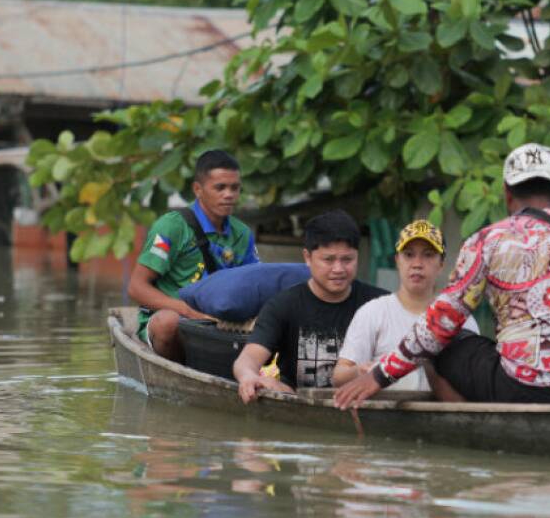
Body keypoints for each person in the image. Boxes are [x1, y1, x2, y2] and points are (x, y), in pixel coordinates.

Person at [335, 142, 550, 410]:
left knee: (440, 344)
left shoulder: (487, 240)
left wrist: (378, 376)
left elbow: (439, 325)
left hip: (522, 390)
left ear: (506, 193)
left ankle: (468, 428)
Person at [233, 210, 386, 403]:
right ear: (307, 257)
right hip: (298, 405)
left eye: (347, 259)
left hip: (366, 406)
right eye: (328, 260)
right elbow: (248, 359)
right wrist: (248, 376)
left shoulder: (381, 304)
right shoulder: (283, 305)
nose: (338, 269)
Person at [127, 150, 259, 362]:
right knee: (167, 323)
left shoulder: (242, 233)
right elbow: (136, 287)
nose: (229, 195)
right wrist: (188, 311)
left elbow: (256, 283)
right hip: (176, 317)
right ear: (198, 189)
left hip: (222, 320)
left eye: (235, 188)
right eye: (220, 187)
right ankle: (181, 368)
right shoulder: (172, 226)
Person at [333, 219, 478, 394]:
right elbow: (339, 376)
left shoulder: (459, 318)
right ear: (397, 261)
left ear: (441, 264)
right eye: (409, 254)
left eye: (428, 255)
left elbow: (473, 381)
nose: (417, 264)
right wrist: (360, 371)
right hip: (385, 417)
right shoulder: (374, 312)